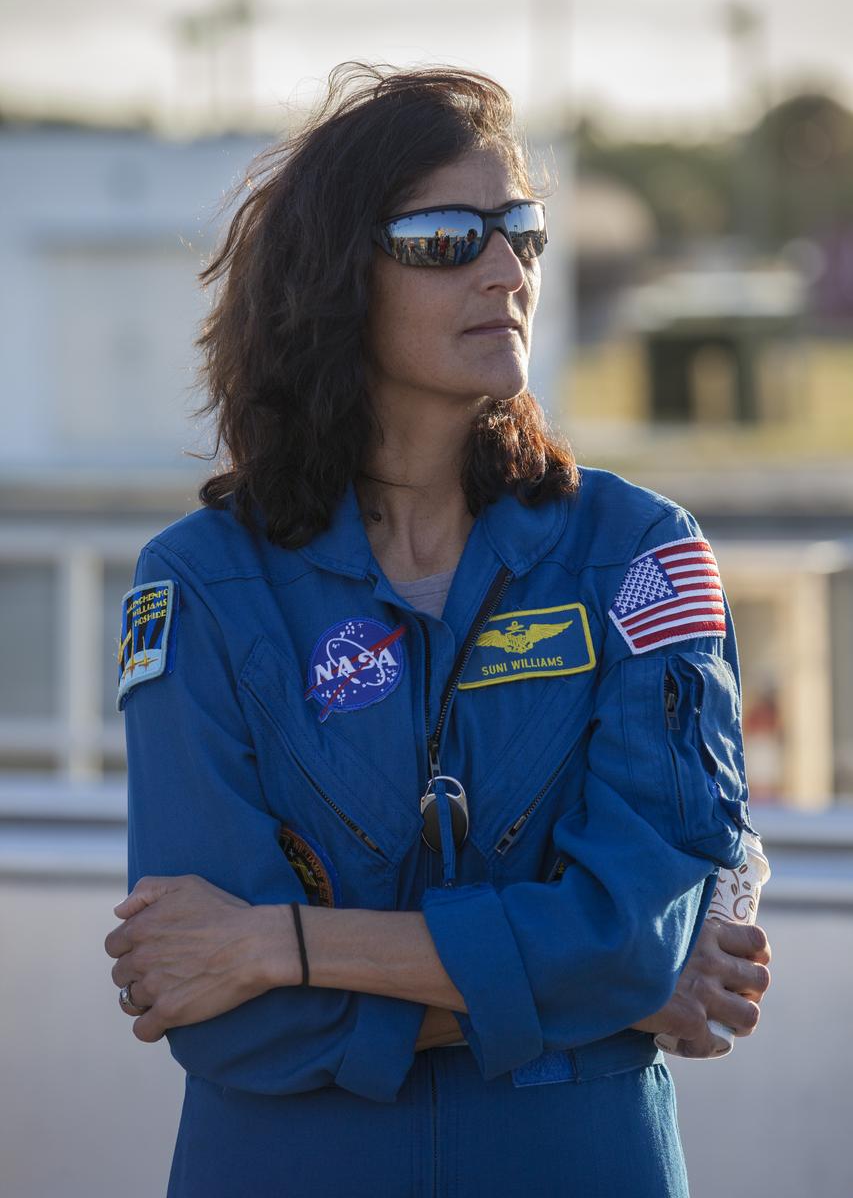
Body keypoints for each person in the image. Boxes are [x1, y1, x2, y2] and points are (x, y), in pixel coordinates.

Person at [104, 62, 772, 1198]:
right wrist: (581, 989)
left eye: (523, 231)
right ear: (332, 280)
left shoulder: (643, 555)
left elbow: (635, 940)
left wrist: (284, 944)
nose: (507, 268)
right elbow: (215, 1020)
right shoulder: (201, 586)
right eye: (445, 237)